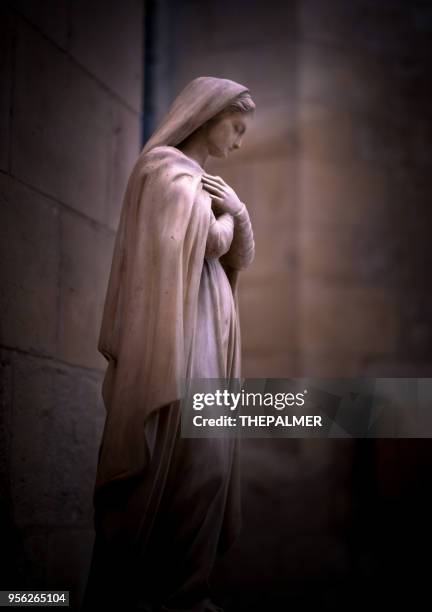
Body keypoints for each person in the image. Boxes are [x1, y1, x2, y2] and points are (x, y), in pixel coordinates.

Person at [82, 76, 255, 611]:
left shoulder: (203, 184)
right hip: (179, 340)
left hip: (206, 328)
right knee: (195, 459)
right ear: (207, 116)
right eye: (237, 126)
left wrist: (239, 213)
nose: (240, 140)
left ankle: (188, 589)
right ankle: (171, 595)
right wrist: (231, 214)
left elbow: (239, 255)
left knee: (212, 463)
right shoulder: (164, 172)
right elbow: (210, 241)